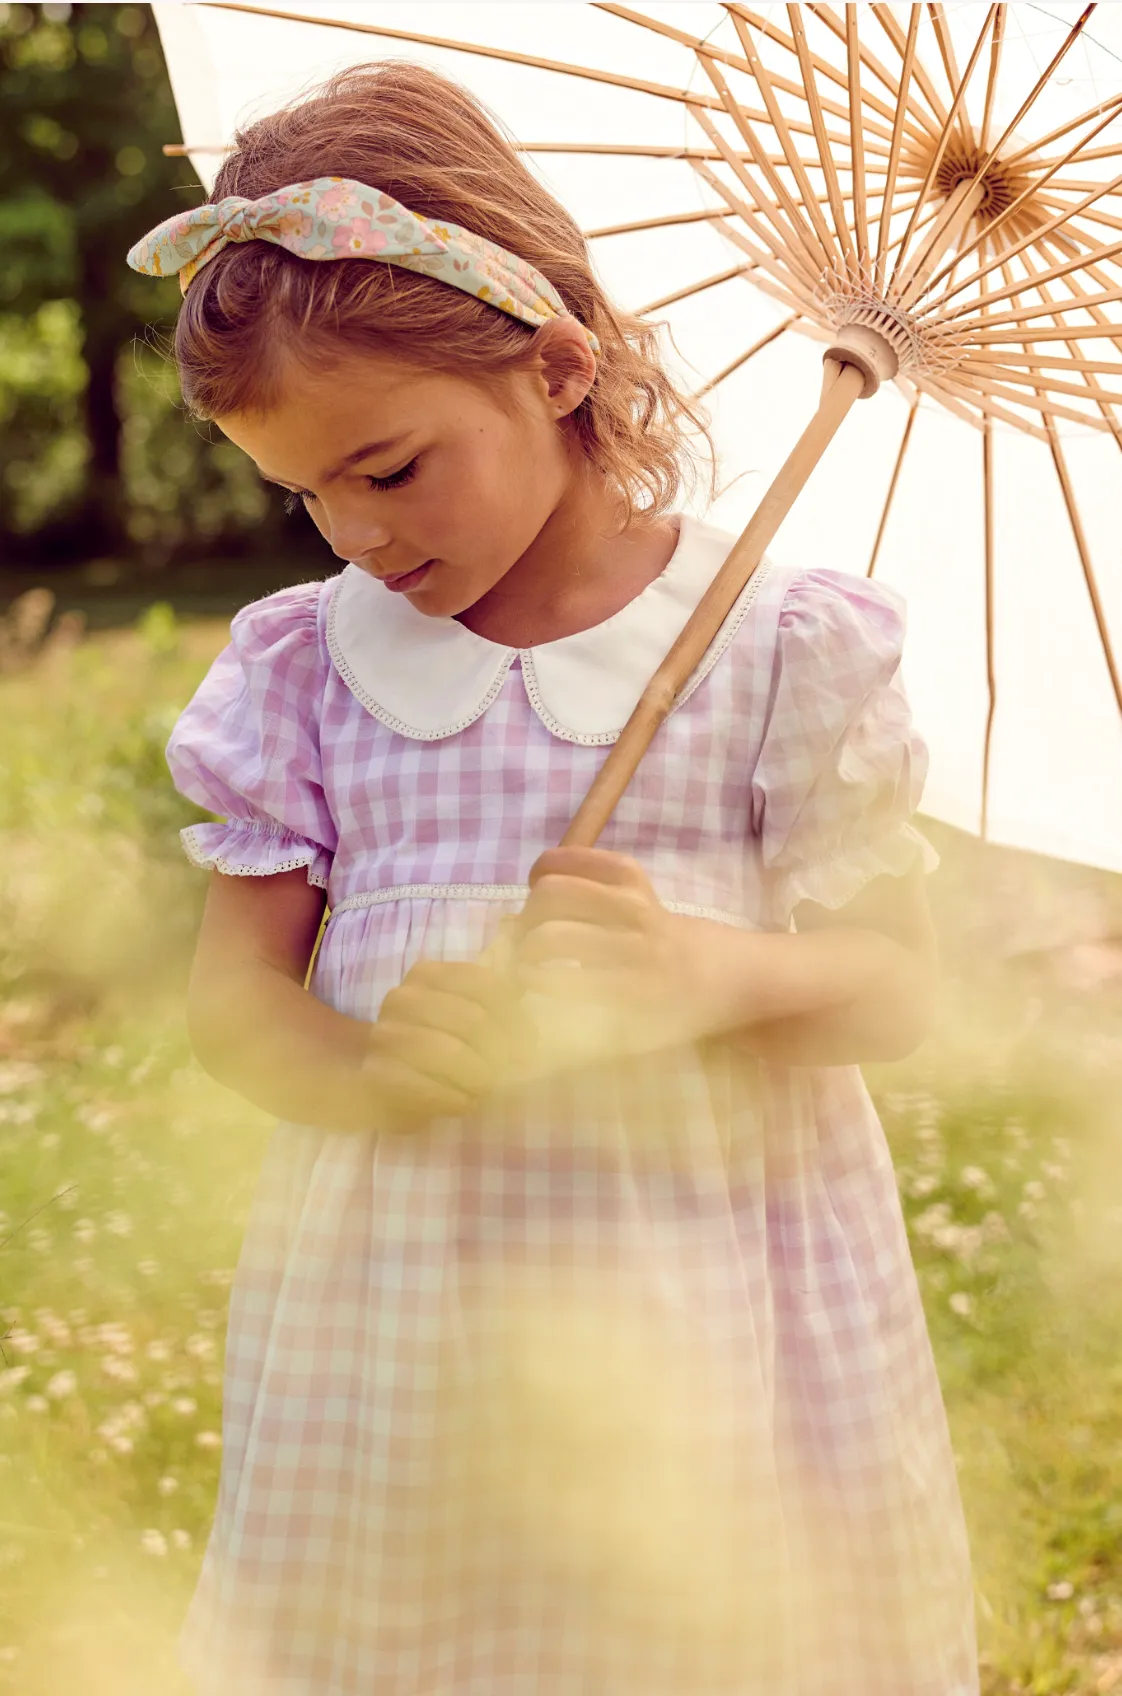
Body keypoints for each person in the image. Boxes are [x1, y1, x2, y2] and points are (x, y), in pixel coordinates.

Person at [129, 61, 977, 1696]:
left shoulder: (769, 644)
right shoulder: (305, 669)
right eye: (302, 494)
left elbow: (900, 987)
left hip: (713, 1291)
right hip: (408, 1308)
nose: (353, 536)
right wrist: (368, 1073)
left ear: (560, 368)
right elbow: (233, 1004)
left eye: (389, 469)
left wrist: (717, 975)